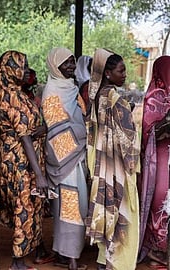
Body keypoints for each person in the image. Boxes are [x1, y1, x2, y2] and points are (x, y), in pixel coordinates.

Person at [0, 50, 52, 270]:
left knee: (29, 207)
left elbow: (31, 128)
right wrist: (39, 175)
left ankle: (36, 250)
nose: (26, 70)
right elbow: (25, 137)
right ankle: (17, 262)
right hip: (20, 163)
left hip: (19, 159)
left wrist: (42, 129)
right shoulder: (12, 96)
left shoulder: (14, 92)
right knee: (23, 207)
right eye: (22, 66)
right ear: (11, 68)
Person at [85, 49, 140, 270]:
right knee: (122, 212)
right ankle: (116, 263)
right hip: (117, 167)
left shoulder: (96, 97)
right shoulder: (117, 100)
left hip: (102, 164)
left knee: (107, 209)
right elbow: (129, 140)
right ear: (107, 73)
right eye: (121, 70)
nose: (125, 74)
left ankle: (104, 260)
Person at [41, 48, 88, 270]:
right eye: (66, 63)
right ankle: (71, 260)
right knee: (70, 208)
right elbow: (56, 131)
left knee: (75, 206)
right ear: (55, 66)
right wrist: (86, 132)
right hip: (65, 161)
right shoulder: (51, 91)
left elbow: (80, 116)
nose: (70, 66)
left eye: (72, 62)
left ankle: (64, 253)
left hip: (77, 157)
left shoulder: (72, 88)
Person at [138, 55, 170, 268]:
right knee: (160, 201)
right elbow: (149, 131)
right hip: (158, 158)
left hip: (168, 155)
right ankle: (156, 249)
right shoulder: (154, 97)